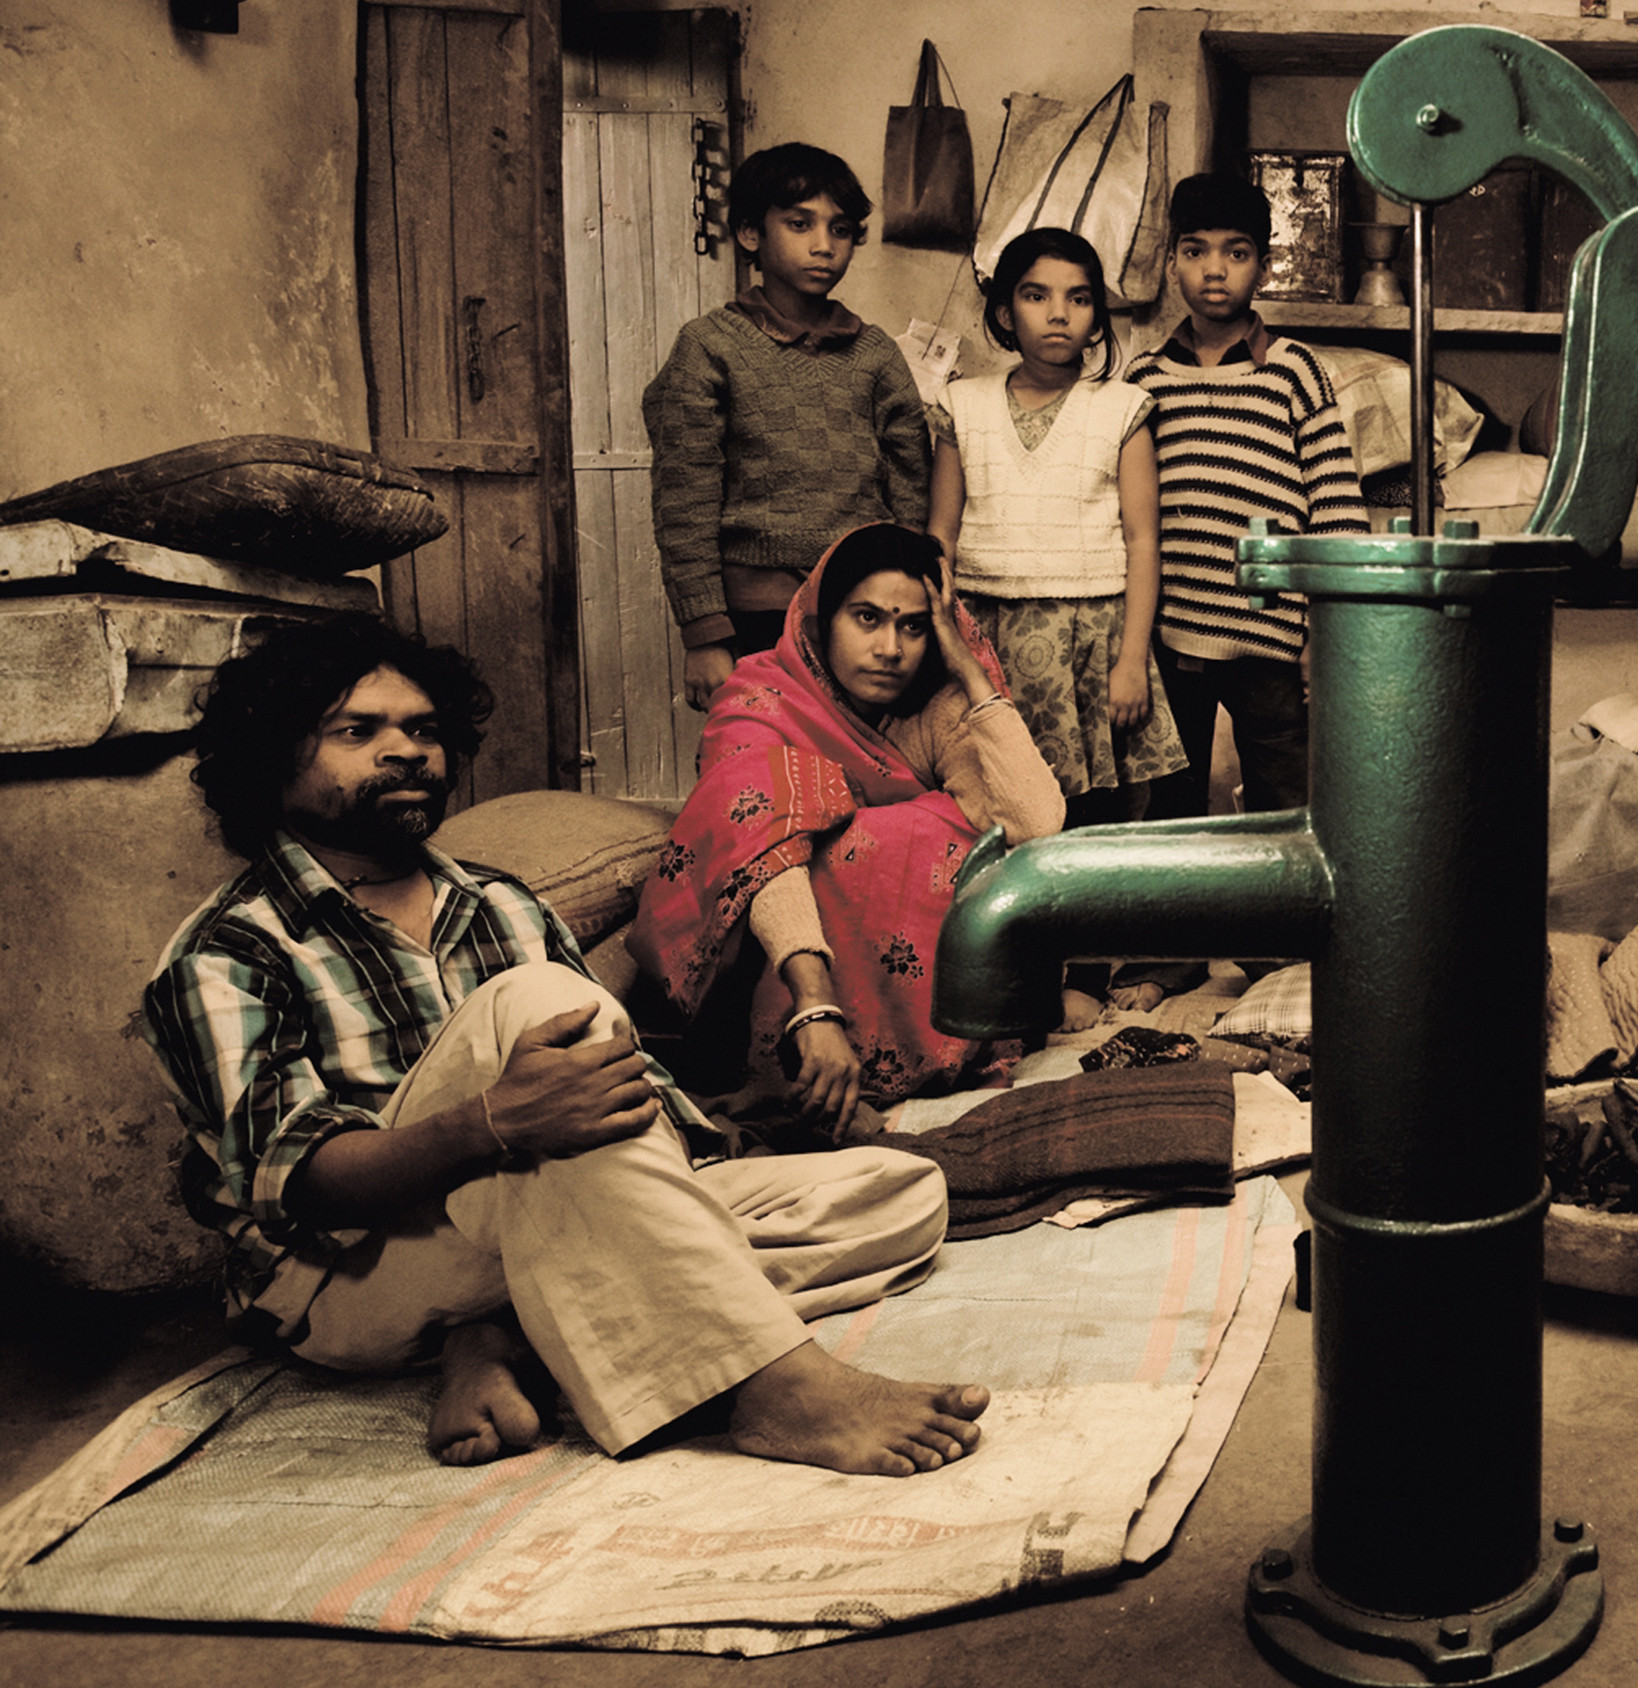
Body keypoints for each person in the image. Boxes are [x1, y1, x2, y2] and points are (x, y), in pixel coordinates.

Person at [141, 617, 989, 1474]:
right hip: (355, 1270)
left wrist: (683, 1159)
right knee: (541, 1002)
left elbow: (625, 1090)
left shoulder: (501, 903)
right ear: (271, 759)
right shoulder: (230, 950)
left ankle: (500, 1338)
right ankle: (773, 1386)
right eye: (358, 732)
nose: (406, 751)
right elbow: (296, 1186)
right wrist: (493, 1127)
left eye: (424, 730)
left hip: (541, 1219)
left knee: (902, 1193)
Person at [634, 523, 1066, 1125]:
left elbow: (1035, 825)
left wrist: (971, 674)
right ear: (821, 619)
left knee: (949, 833)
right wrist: (815, 1007)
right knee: (804, 820)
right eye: (867, 619)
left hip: (912, 1013)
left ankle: (901, 1065)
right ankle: (790, 1068)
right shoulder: (759, 703)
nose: (890, 648)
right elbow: (760, 850)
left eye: (914, 626)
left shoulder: (934, 706)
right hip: (768, 988)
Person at [645, 142, 932, 713]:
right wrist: (704, 632)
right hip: (754, 617)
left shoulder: (875, 353)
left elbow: (911, 489)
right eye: (800, 224)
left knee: (863, 756)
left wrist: (907, 600)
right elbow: (685, 498)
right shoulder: (709, 347)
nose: (824, 245)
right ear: (751, 233)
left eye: (840, 229)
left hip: (864, 610)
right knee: (759, 754)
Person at [1122, 172, 1369, 822]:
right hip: (1172, 638)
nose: (1214, 269)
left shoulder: (1293, 370)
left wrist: (1325, 633)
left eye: (1236, 252)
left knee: (1287, 807)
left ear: (1264, 264)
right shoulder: (1143, 381)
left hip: (1273, 641)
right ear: (1171, 262)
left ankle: (1284, 896)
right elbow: (1124, 518)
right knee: (1170, 812)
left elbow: (1337, 509)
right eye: (1195, 250)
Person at [926, 227, 1187, 830]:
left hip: (1092, 640)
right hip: (986, 635)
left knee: (1094, 819)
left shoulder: (1121, 408)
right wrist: (941, 646)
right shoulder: (963, 406)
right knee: (992, 804)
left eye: (1079, 298)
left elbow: (1143, 541)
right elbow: (941, 534)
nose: (1059, 314)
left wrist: (1131, 660)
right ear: (1005, 312)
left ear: (1096, 318)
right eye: (1036, 295)